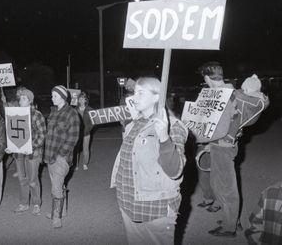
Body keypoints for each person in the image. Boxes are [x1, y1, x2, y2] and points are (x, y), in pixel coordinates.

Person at [110, 77, 188, 245]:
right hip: (129, 204)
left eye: (140, 93)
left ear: (156, 97)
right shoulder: (135, 123)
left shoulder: (172, 126)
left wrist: (164, 138)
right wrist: (133, 121)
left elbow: (175, 171)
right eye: (134, 92)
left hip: (154, 208)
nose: (132, 97)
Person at [198, 62, 269, 238]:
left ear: (207, 78)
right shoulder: (223, 93)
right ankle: (231, 218)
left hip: (224, 146)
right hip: (217, 144)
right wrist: (209, 141)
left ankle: (230, 227)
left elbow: (234, 120)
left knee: (226, 188)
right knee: (217, 184)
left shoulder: (229, 95)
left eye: (204, 78)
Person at [5, 88, 46, 215]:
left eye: (24, 98)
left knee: (32, 180)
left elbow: (42, 134)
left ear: (30, 100)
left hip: (32, 153)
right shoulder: (14, 113)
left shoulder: (36, 114)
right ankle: (24, 203)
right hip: (19, 153)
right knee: (22, 179)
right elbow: (12, 133)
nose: (21, 100)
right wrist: (10, 146)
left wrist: (30, 146)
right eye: (20, 98)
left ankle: (36, 203)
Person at [44, 85, 80, 228]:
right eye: (52, 95)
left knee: (56, 188)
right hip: (49, 155)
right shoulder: (53, 112)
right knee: (57, 185)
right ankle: (62, 211)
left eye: (55, 96)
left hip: (61, 157)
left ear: (63, 97)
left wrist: (61, 155)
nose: (52, 98)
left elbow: (73, 137)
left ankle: (56, 217)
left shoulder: (72, 113)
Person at [75, 91, 93, 170]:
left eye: (83, 99)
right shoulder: (75, 110)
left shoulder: (90, 109)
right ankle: (76, 165)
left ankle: (85, 163)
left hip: (86, 133)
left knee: (86, 148)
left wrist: (88, 128)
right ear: (78, 100)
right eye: (80, 99)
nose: (81, 100)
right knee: (76, 149)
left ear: (86, 100)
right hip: (77, 133)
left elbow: (93, 121)